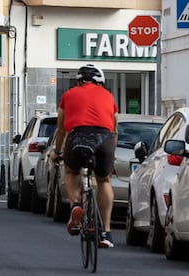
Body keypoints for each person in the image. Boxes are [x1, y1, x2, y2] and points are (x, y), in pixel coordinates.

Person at [51, 64, 118, 248]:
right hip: (104, 139)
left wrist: (56, 153)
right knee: (104, 180)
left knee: (71, 172)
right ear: (101, 82)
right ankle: (105, 232)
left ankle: (74, 205)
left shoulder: (68, 95)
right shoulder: (109, 97)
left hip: (78, 137)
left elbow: (61, 128)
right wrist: (112, 152)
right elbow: (114, 128)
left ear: (79, 81)